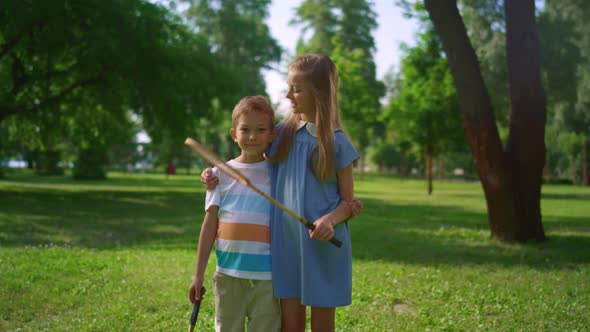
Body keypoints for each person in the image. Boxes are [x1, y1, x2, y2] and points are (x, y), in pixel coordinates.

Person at [201, 54, 362, 332]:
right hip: (286, 244)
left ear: (319, 93)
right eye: (289, 87)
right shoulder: (282, 134)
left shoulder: (337, 143)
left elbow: (350, 203)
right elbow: (248, 152)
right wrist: (214, 175)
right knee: (291, 325)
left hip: (324, 245)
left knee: (323, 326)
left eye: (296, 89)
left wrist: (330, 220)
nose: (288, 95)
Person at [188, 95, 281, 332]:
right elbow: (209, 226)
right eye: (245, 129)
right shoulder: (219, 175)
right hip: (228, 274)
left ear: (272, 134)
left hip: (268, 277)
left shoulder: (279, 174)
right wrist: (198, 275)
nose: (252, 136)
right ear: (233, 134)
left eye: (261, 130)